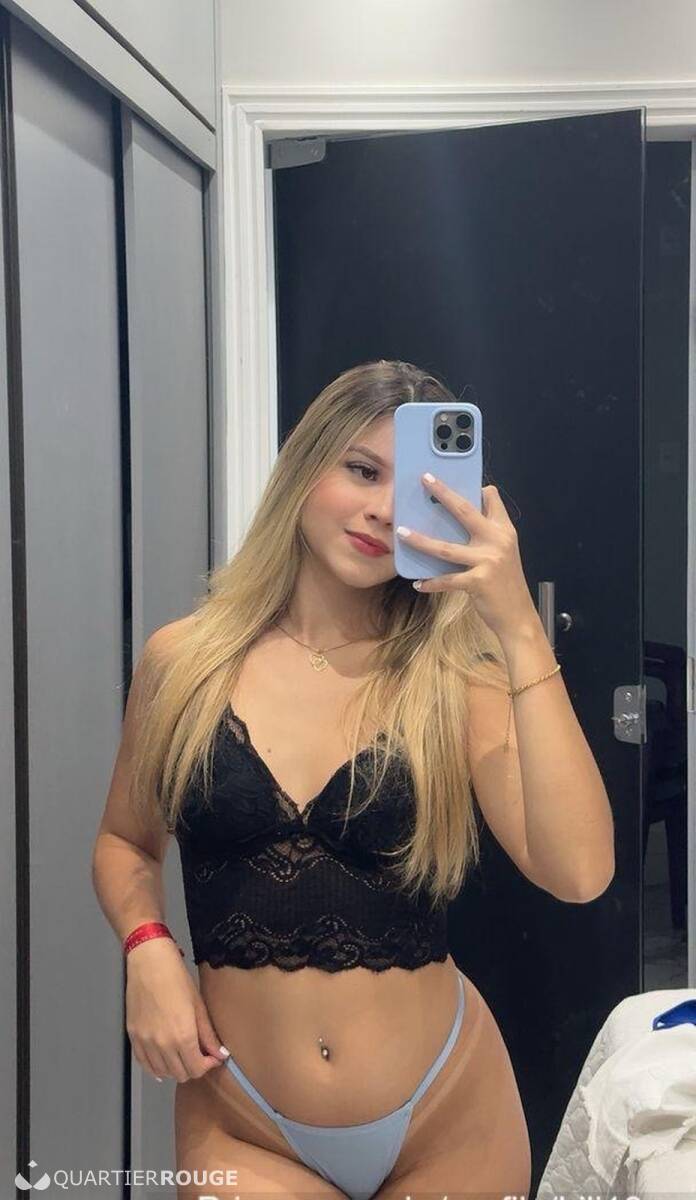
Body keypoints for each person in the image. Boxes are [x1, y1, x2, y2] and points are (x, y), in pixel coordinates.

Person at [92, 359, 614, 1200]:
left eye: (413, 490)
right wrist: (147, 947)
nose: (381, 509)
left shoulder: (456, 677)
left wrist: (517, 625)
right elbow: (125, 841)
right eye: (362, 470)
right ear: (306, 466)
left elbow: (579, 871)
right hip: (242, 1119)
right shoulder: (182, 662)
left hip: (448, 1115)